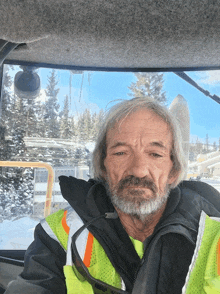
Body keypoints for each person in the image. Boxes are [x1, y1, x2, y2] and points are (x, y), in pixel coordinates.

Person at [4, 97, 220, 294]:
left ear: (174, 171)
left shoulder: (214, 235)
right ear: (103, 167)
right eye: (121, 153)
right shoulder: (60, 234)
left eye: (155, 154)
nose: (138, 170)